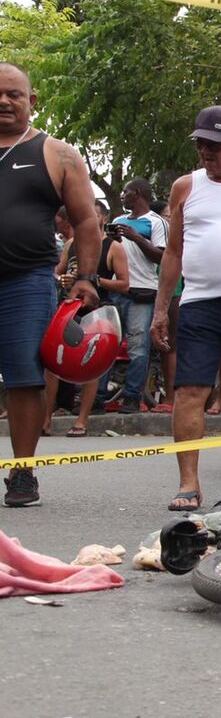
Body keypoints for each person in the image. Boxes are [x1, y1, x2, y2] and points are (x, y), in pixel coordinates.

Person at [0, 62, 101, 508]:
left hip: (26, 282)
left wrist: (85, 277)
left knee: (24, 377)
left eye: (14, 94)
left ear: (31, 101)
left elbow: (85, 220)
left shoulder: (56, 153)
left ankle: (22, 474)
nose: (4, 101)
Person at [152, 106, 221, 511]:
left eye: (214, 144)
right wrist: (161, 308)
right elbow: (173, 252)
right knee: (190, 390)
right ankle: (188, 483)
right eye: (201, 145)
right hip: (198, 303)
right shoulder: (185, 187)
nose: (206, 152)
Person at [42, 205, 129, 437]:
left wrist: (95, 280)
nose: (90, 216)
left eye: (95, 213)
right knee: (52, 364)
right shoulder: (71, 244)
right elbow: (58, 272)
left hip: (97, 313)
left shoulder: (114, 247)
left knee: (91, 366)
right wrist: (62, 280)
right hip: (69, 310)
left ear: (104, 218)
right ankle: (45, 420)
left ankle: (81, 421)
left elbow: (124, 284)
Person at [108, 177, 168, 413]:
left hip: (142, 291)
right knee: (108, 345)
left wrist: (136, 238)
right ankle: (98, 397)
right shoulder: (117, 220)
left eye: (126, 192)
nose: (122, 196)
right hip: (116, 289)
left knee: (138, 348)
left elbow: (162, 257)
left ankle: (132, 397)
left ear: (138, 193)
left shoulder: (156, 222)